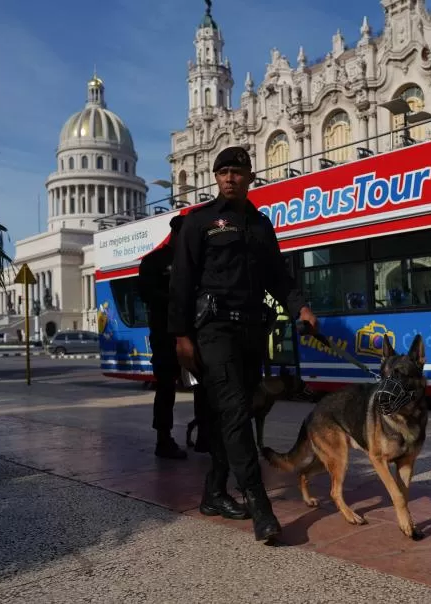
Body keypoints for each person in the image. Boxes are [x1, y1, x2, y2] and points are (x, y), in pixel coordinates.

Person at [168, 146, 318, 542]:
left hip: (252, 332)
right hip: (214, 332)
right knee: (235, 413)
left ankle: (214, 493)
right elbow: (181, 281)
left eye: (236, 172)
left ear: (250, 177)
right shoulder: (200, 222)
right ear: (216, 178)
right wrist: (181, 335)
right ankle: (260, 506)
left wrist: (301, 308)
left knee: (234, 415)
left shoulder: (260, 225)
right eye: (223, 173)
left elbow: (278, 277)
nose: (229, 178)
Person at [138, 215, 189, 460]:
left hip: (192, 333)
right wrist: (176, 299)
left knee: (204, 385)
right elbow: (147, 294)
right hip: (165, 334)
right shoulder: (153, 261)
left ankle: (206, 435)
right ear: (176, 234)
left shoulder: (193, 261)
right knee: (166, 386)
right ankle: (163, 438)